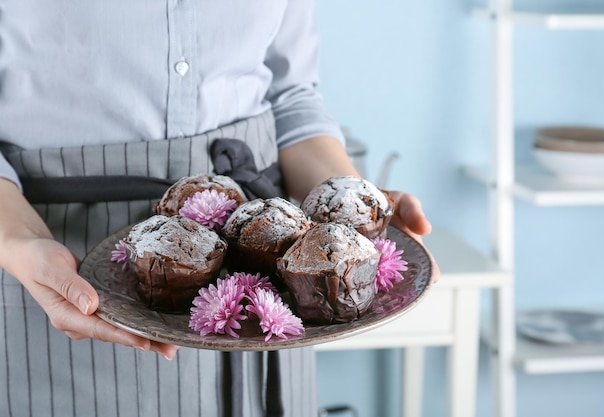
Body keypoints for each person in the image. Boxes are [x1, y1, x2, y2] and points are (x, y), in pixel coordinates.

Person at [0, 2, 436, 416]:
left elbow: (290, 95)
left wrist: (347, 210)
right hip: (58, 250)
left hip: (270, 291)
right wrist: (18, 239)